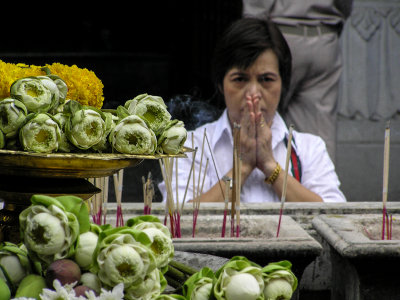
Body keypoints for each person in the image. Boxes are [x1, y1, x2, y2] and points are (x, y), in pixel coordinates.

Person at [158, 17, 346, 203]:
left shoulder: (309, 149)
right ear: (221, 85)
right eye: (240, 79)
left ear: (283, 84)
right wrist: (243, 166)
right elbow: (179, 219)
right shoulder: (190, 146)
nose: (253, 94)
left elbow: (333, 215)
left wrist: (270, 167)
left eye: (266, 80)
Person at [242, 0, 353, 162]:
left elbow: (257, 6)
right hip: (324, 37)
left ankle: (262, 181)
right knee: (320, 131)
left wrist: (249, 35)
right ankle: (319, 185)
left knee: (259, 119)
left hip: (279, 36)